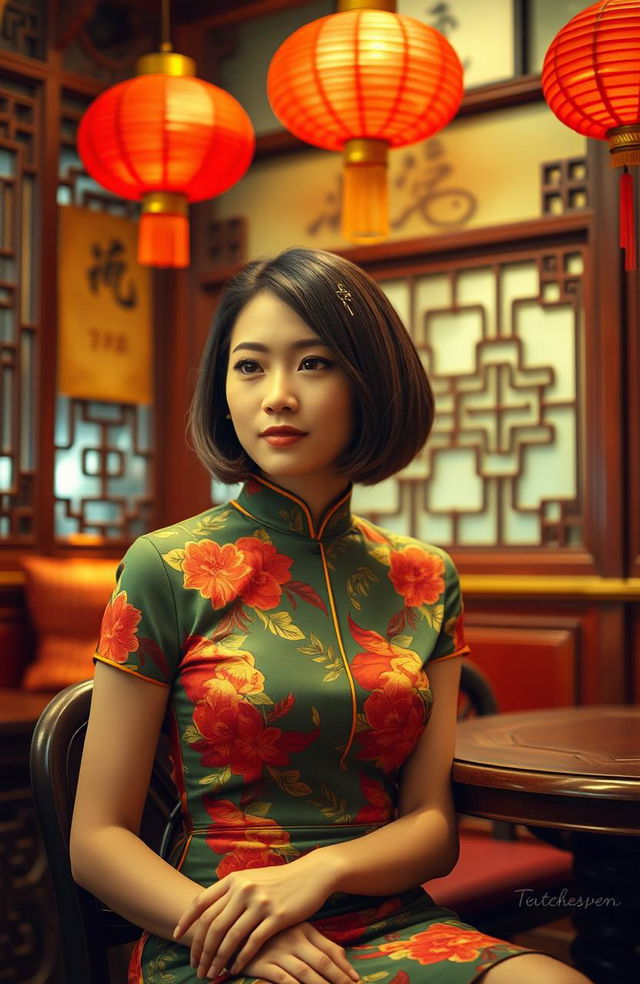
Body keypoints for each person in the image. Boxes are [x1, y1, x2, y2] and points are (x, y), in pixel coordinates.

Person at [70, 247, 592, 984]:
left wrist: (323, 870)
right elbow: (96, 840)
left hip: (392, 916)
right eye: (249, 366)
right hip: (211, 926)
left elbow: (433, 827)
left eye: (313, 364)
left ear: (370, 383)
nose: (276, 395)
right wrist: (246, 933)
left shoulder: (424, 577)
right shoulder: (166, 566)